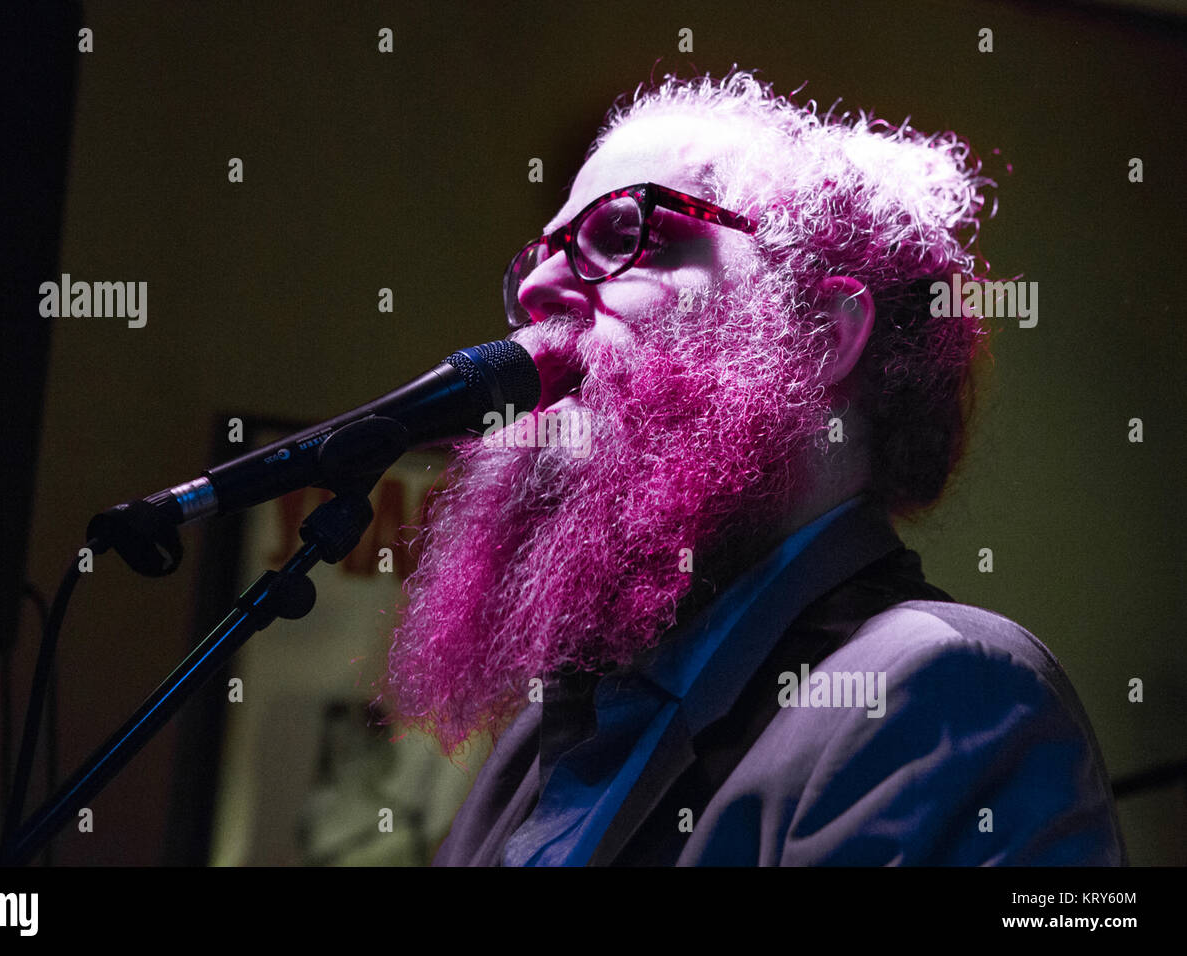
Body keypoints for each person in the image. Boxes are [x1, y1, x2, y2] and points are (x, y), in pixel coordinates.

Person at [381, 70, 1126, 865]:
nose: (535, 286)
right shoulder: (546, 732)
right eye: (540, 254)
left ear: (823, 335)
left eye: (629, 233)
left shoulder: (947, 691)